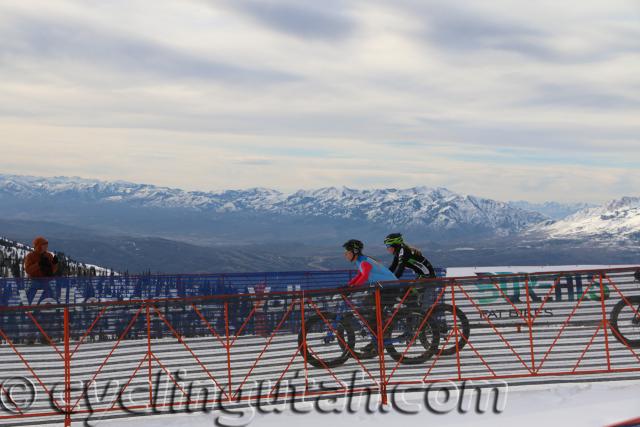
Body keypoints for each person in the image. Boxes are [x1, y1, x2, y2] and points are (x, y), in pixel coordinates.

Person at [342, 239, 398, 357]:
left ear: (354, 252)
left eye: (347, 252)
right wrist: (348, 286)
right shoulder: (361, 261)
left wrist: (351, 288)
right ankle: (376, 339)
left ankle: (379, 339)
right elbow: (360, 275)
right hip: (383, 288)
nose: (345, 254)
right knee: (367, 308)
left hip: (389, 288)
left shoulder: (363, 261)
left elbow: (365, 275)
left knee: (368, 310)